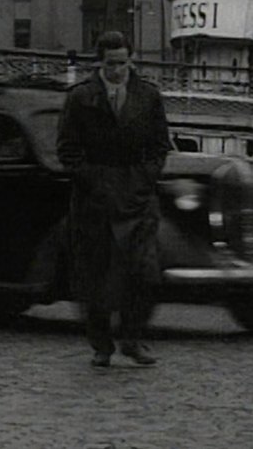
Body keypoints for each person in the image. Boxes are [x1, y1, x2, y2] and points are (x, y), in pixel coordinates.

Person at [57, 31, 172, 368]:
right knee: (96, 274)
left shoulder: (148, 96)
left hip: (138, 197)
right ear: (100, 63)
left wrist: (144, 177)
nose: (118, 70)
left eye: (123, 63)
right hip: (96, 200)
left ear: (130, 60)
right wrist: (95, 180)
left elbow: (160, 146)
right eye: (111, 64)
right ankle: (102, 345)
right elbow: (67, 149)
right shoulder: (81, 97)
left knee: (144, 273)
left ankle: (133, 340)